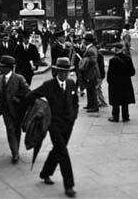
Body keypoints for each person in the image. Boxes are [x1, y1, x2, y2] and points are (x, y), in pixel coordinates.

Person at [29, 57, 79, 198]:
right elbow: (32, 96)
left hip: (68, 124)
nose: (64, 74)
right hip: (54, 125)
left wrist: (74, 116)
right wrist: (40, 110)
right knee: (63, 153)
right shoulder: (48, 85)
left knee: (57, 150)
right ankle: (69, 186)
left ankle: (45, 173)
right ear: (56, 71)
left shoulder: (71, 84)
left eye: (67, 72)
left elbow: (75, 102)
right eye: (61, 71)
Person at [0, 55, 30, 163]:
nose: (0, 68)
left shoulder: (19, 78)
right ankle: (15, 153)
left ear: (8, 68)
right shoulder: (0, 79)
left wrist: (18, 98)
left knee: (17, 130)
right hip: (5, 109)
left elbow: (27, 92)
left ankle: (16, 149)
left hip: (18, 110)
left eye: (2, 66)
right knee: (10, 130)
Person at [106, 42, 136, 123]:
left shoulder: (112, 60)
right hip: (126, 83)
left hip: (115, 84)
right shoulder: (128, 59)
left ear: (116, 50)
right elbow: (133, 72)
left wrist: (109, 82)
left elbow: (110, 74)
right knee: (125, 100)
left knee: (115, 101)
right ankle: (125, 116)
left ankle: (115, 116)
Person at [79, 32, 100, 115]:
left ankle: (94, 106)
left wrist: (86, 60)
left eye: (84, 39)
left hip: (91, 72)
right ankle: (90, 104)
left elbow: (93, 60)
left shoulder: (91, 50)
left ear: (87, 41)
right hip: (90, 72)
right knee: (89, 88)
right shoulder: (90, 48)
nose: (83, 41)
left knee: (91, 89)